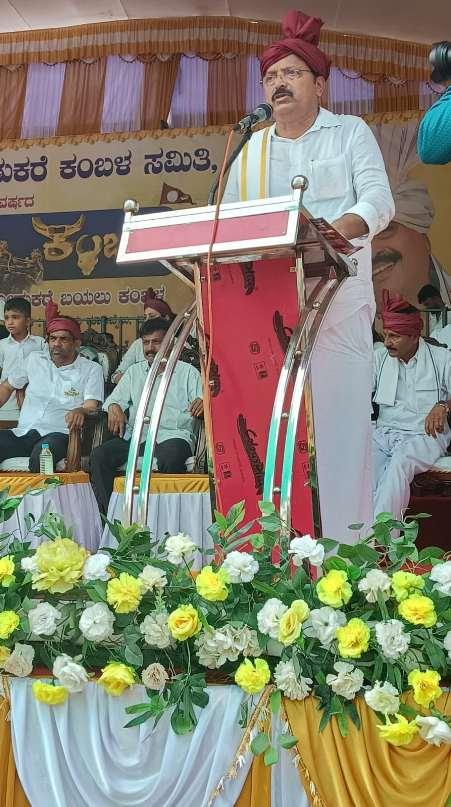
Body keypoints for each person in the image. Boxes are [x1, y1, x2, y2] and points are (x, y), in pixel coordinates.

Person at [222, 8, 395, 540]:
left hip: (337, 304)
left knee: (341, 436)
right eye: (271, 76)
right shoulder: (251, 149)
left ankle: (347, 554)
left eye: (292, 73)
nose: (279, 83)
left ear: (320, 85)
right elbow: (230, 227)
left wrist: (325, 235)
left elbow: (378, 202)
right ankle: (276, 553)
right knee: (274, 437)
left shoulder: (349, 133)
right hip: (267, 314)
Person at [90, 318, 203, 514]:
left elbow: (202, 400)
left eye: (156, 342)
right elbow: (113, 400)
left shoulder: (188, 373)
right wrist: (114, 406)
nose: (150, 348)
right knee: (99, 456)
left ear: (171, 343)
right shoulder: (134, 372)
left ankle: (165, 518)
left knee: (172, 457)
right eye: (146, 342)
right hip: (137, 438)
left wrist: (202, 402)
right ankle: (113, 518)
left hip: (173, 436)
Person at [372, 290, 451, 519]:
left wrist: (443, 405)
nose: (387, 342)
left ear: (415, 337)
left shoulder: (442, 358)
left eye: (394, 336)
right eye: (386, 335)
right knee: (364, 469)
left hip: (425, 435)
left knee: (400, 464)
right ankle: (357, 532)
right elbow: (355, 392)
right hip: (384, 433)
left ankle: (381, 536)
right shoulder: (379, 358)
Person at [0, 301, 104, 471]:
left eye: (63, 339)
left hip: (59, 434)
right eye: (53, 339)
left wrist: (80, 410)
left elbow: (91, 406)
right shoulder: (34, 359)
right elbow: (7, 387)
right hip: (24, 432)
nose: (56, 343)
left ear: (77, 343)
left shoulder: (91, 369)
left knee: (41, 458)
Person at [111, 288, 174, 383]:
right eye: (145, 317)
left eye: (152, 316)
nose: (147, 320)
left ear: (166, 318)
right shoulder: (138, 344)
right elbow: (116, 375)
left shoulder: (180, 344)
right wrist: (135, 381)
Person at [0, 297, 45, 422]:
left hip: (33, 402)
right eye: (7, 318)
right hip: (6, 405)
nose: (10, 322)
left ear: (28, 321)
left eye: (15, 317)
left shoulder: (40, 343)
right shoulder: (2, 345)